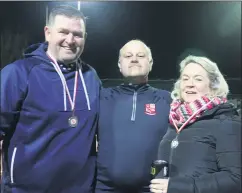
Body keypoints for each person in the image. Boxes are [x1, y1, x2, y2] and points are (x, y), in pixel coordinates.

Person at [0, 5, 100, 193]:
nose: (70, 40)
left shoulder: (91, 77)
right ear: (48, 33)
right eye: (63, 32)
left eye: (77, 34)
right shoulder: (19, 73)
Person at [149, 55, 241, 193]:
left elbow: (235, 179)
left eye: (198, 79)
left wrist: (176, 187)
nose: (189, 83)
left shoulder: (226, 121)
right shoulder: (175, 121)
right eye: (185, 78)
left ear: (213, 86)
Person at [95, 39, 171, 193]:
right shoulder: (101, 97)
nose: (134, 59)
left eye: (141, 56)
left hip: (152, 188)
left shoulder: (167, 99)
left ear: (150, 63)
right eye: (128, 56)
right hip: (105, 187)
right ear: (119, 64)